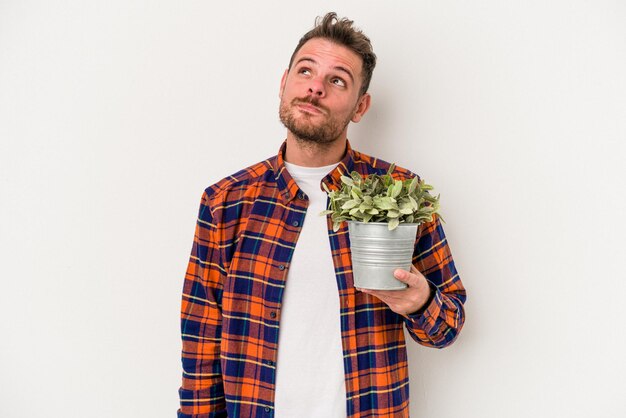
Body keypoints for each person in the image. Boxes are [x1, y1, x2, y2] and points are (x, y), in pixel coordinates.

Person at [178, 12, 466, 418]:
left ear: (360, 106)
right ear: (284, 83)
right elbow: (200, 339)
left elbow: (449, 324)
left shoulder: (400, 194)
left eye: (337, 80)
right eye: (306, 70)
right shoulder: (226, 202)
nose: (315, 87)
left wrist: (420, 303)